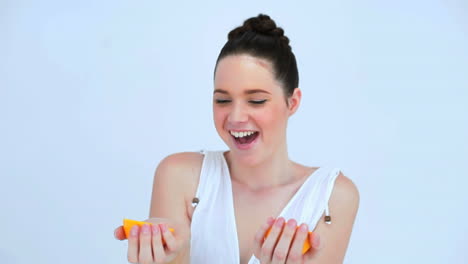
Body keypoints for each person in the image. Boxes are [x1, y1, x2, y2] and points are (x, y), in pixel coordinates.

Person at [114, 13, 359, 264]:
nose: (236, 117)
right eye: (222, 100)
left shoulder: (333, 196)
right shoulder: (179, 176)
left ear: (292, 102)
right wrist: (173, 257)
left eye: (256, 101)